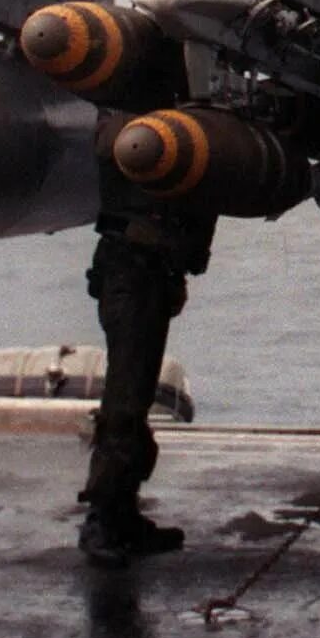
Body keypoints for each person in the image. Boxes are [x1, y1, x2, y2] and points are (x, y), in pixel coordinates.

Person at [76, 174, 216, 568]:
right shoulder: (128, 133)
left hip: (151, 270)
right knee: (125, 398)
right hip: (131, 272)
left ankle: (122, 515)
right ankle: (101, 520)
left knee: (134, 397)